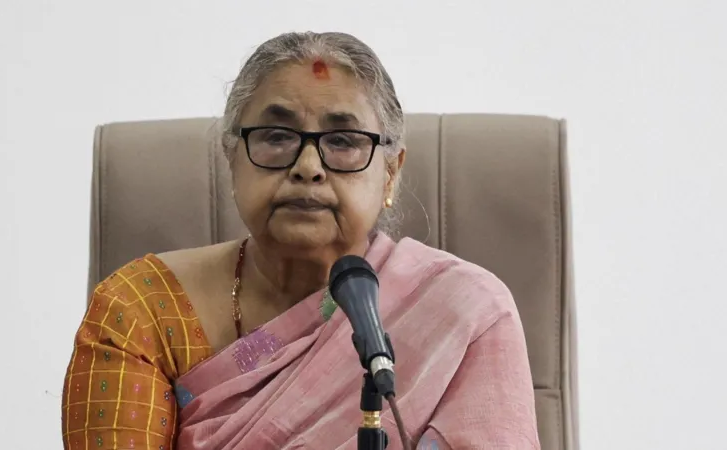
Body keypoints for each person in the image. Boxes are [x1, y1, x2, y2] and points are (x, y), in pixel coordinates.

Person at [61, 31, 539, 450]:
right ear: (232, 159)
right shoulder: (142, 310)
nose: (308, 167)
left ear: (391, 174)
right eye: (276, 136)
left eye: (343, 141)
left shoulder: (467, 312)